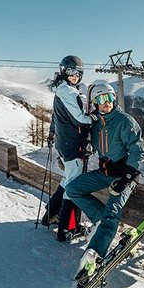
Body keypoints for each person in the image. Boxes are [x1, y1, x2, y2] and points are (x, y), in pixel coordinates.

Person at [64, 80, 144, 279]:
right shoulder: (96, 124)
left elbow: (138, 149)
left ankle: (94, 255)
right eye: (100, 99)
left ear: (114, 99)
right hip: (105, 173)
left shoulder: (124, 121)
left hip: (124, 175)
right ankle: (101, 222)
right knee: (72, 188)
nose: (106, 102)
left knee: (112, 211)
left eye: (109, 98)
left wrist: (127, 176)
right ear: (95, 103)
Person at [41, 55, 94, 240]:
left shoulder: (67, 90)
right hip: (72, 145)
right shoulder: (67, 92)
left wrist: (52, 133)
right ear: (63, 72)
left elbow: (56, 117)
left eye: (78, 73)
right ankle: (67, 228)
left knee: (68, 180)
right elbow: (80, 118)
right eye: (71, 72)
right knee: (73, 185)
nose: (75, 76)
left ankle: (50, 216)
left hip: (66, 143)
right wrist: (95, 119)